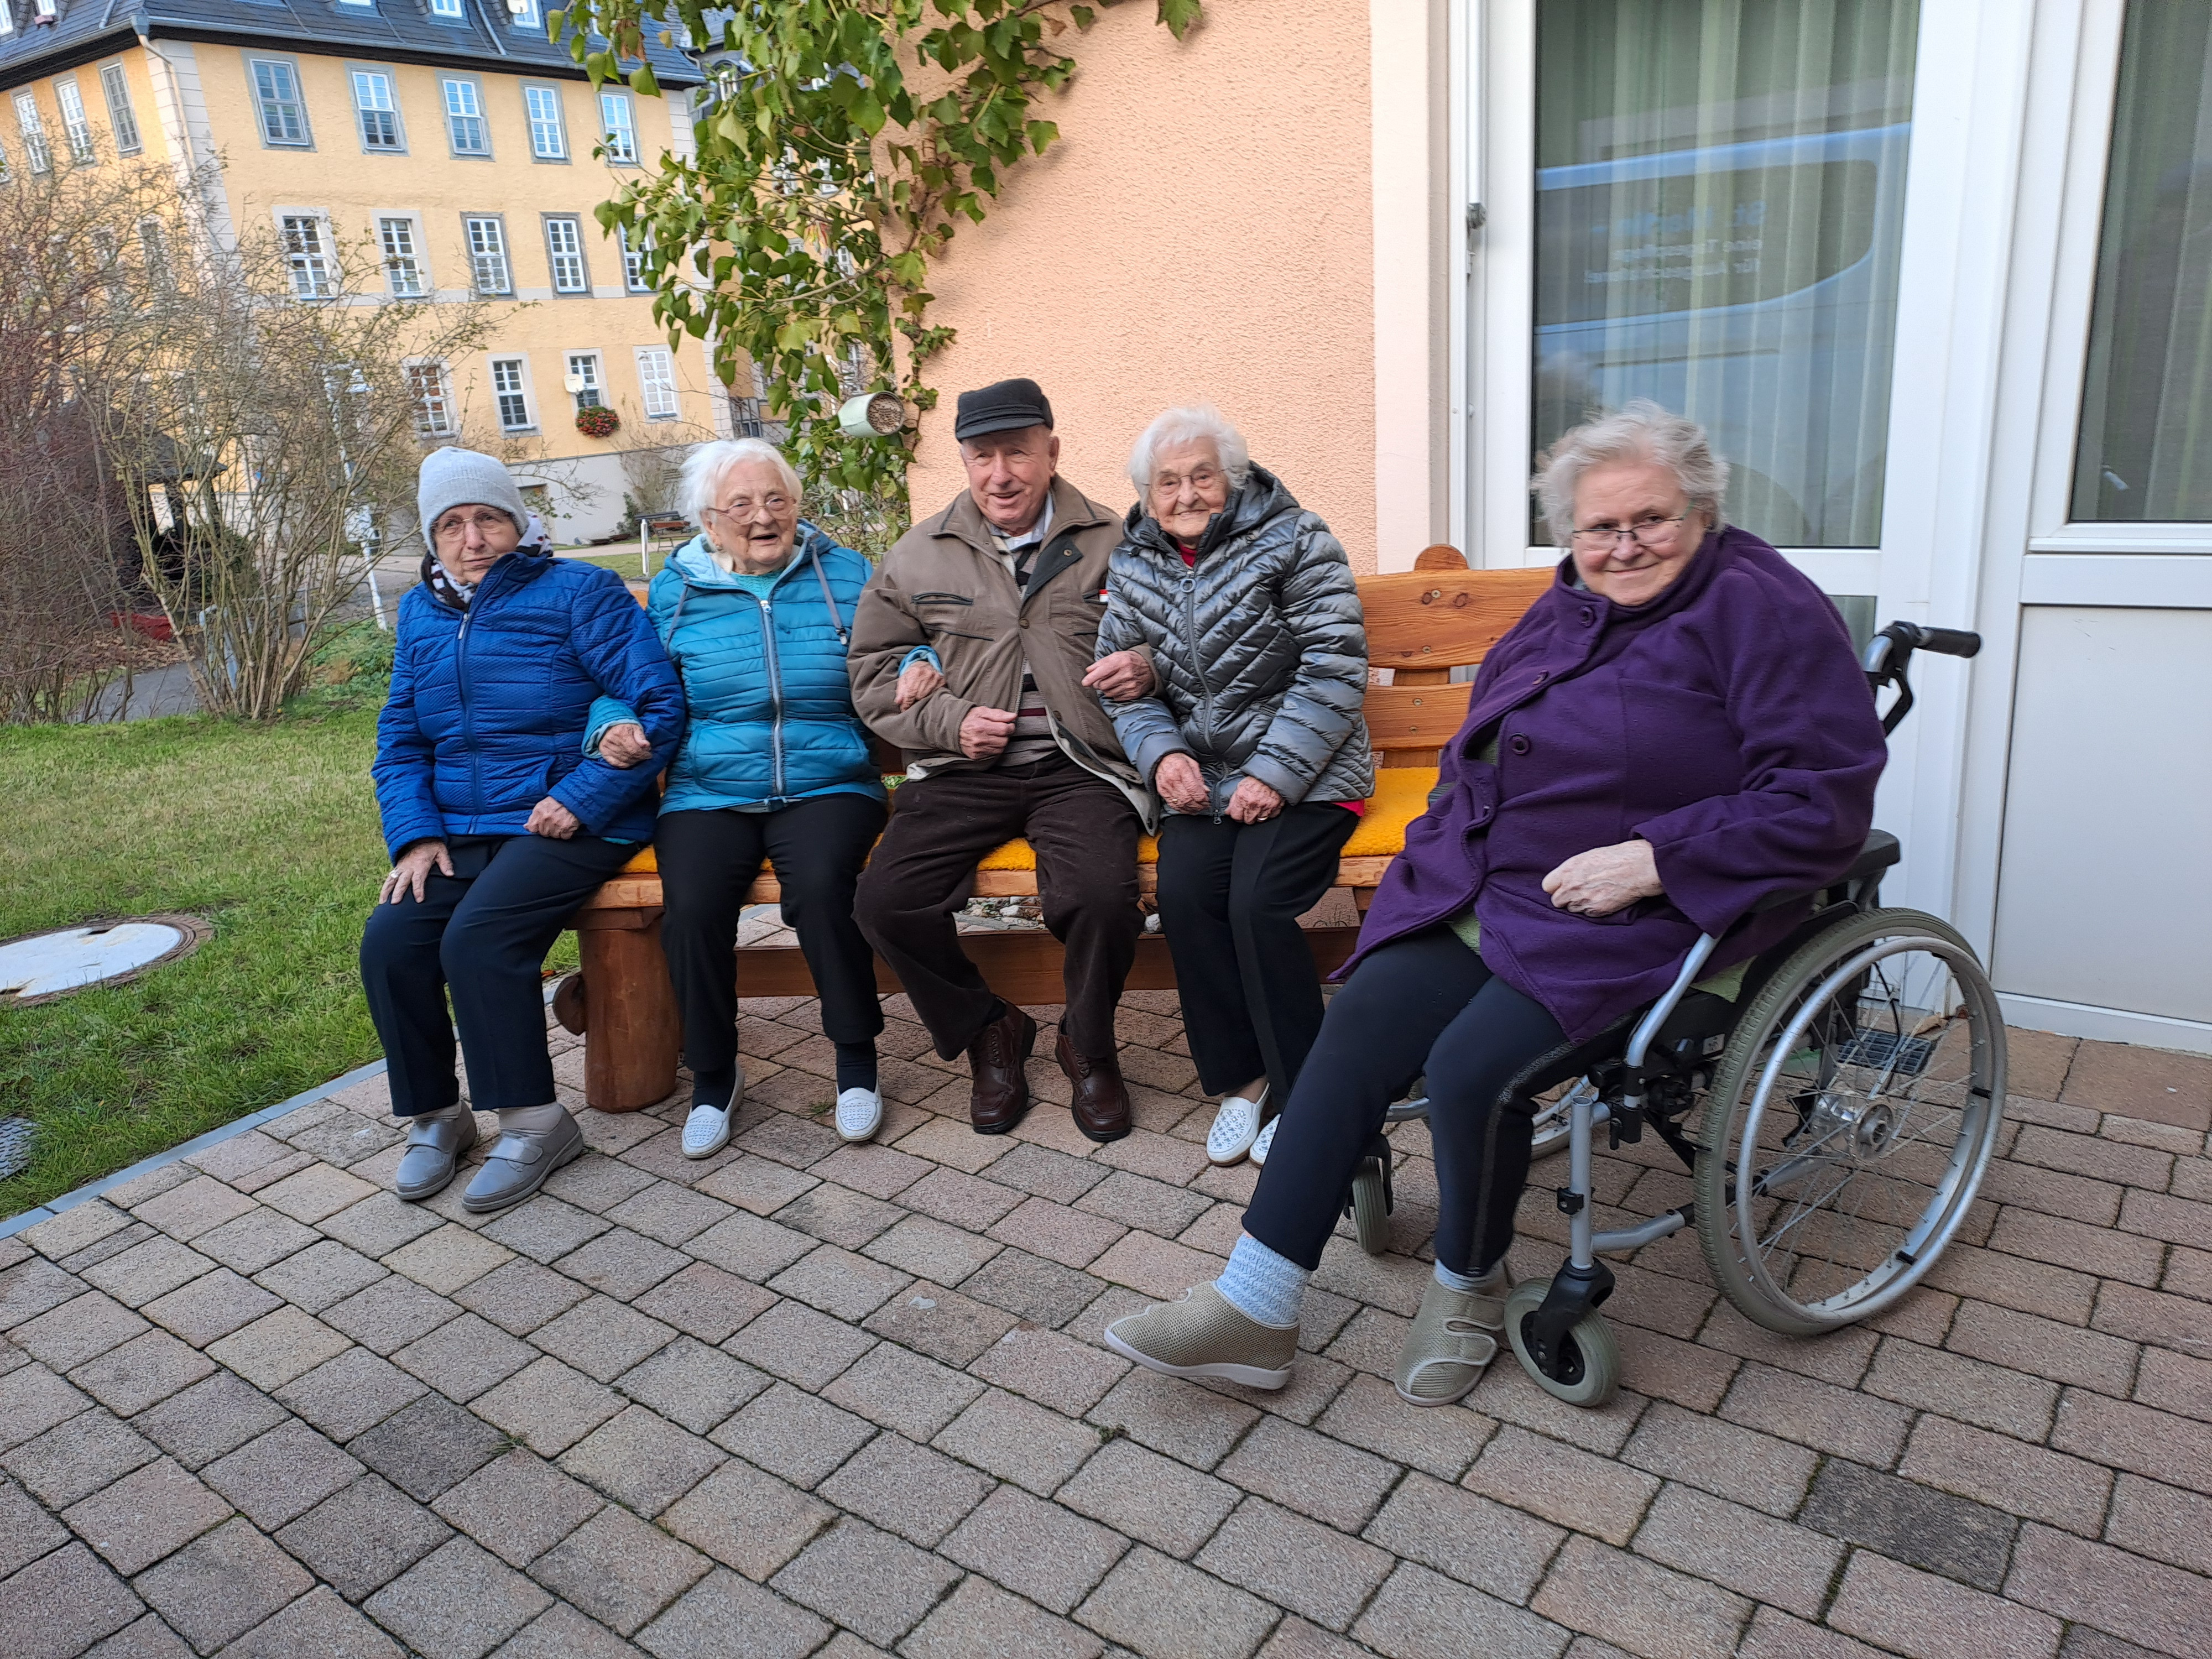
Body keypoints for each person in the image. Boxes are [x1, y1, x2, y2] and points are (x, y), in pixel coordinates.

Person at [1104, 401, 1888, 1402]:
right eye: (1600, 528)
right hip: (1497, 884)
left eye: (1652, 519)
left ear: (1703, 510)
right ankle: (1253, 1307)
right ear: (1569, 533)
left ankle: (1470, 1283)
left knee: (1473, 1068)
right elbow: (1477, 751)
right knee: (1359, 1026)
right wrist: (1439, 847)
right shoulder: (1568, 602)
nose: (1625, 546)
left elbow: (1822, 798)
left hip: (1653, 908)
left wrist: (1654, 859)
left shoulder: (1759, 608)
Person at [363, 447, 683, 1212]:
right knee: (391, 943)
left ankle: (537, 1122)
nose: (472, 539)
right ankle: (439, 1116)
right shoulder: (421, 612)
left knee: (478, 942)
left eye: (488, 519)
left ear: (518, 522)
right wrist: (416, 835)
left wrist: (582, 797)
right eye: (452, 525)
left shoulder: (580, 591)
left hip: (573, 820)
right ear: (432, 538)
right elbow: (400, 739)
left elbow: (659, 706)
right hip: (458, 828)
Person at [848, 377, 1156, 1141]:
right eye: (982, 456)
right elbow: (873, 671)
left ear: (1052, 452)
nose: (1000, 474)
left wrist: (1148, 666)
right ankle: (990, 1027)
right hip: (962, 772)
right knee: (885, 903)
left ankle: (1089, 1043)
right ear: (963, 461)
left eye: (1017, 453)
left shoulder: (1114, 540)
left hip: (1081, 767)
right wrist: (951, 724)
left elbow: (1173, 638)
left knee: (1099, 898)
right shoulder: (919, 554)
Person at [588, 439, 888, 1157]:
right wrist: (611, 724)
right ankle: (714, 1076)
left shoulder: (846, 574)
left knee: (823, 890)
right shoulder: (677, 590)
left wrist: (918, 663)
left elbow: (900, 645)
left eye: (777, 499)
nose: (764, 516)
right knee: (691, 909)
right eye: (743, 505)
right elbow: (625, 682)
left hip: (827, 780)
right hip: (708, 789)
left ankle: (856, 1063)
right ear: (709, 521)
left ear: (797, 505)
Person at [1094, 406, 1372, 1168]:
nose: (1185, 495)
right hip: (1205, 785)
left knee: (1256, 903)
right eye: (1167, 482)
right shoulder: (1133, 563)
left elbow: (1334, 666)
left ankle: (1306, 1088)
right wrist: (1162, 758)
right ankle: (1244, 1080)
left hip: (1312, 774)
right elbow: (1125, 689)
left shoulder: (1297, 537)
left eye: (1201, 476)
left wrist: (1274, 773)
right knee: (1186, 897)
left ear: (1235, 479)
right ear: (1147, 495)